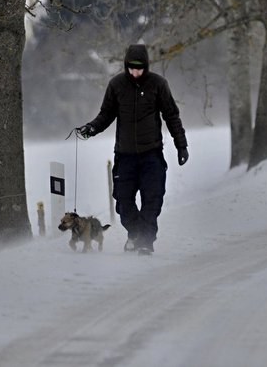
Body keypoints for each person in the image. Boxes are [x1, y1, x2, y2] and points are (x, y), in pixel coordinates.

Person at [77, 44, 188, 255]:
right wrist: (91, 128)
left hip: (152, 155)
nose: (135, 72)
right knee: (123, 201)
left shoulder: (158, 84)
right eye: (131, 68)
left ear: (146, 66)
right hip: (125, 157)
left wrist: (181, 145)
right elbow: (106, 115)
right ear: (126, 66)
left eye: (139, 68)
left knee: (152, 200)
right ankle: (136, 234)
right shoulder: (116, 85)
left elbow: (172, 116)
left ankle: (145, 241)